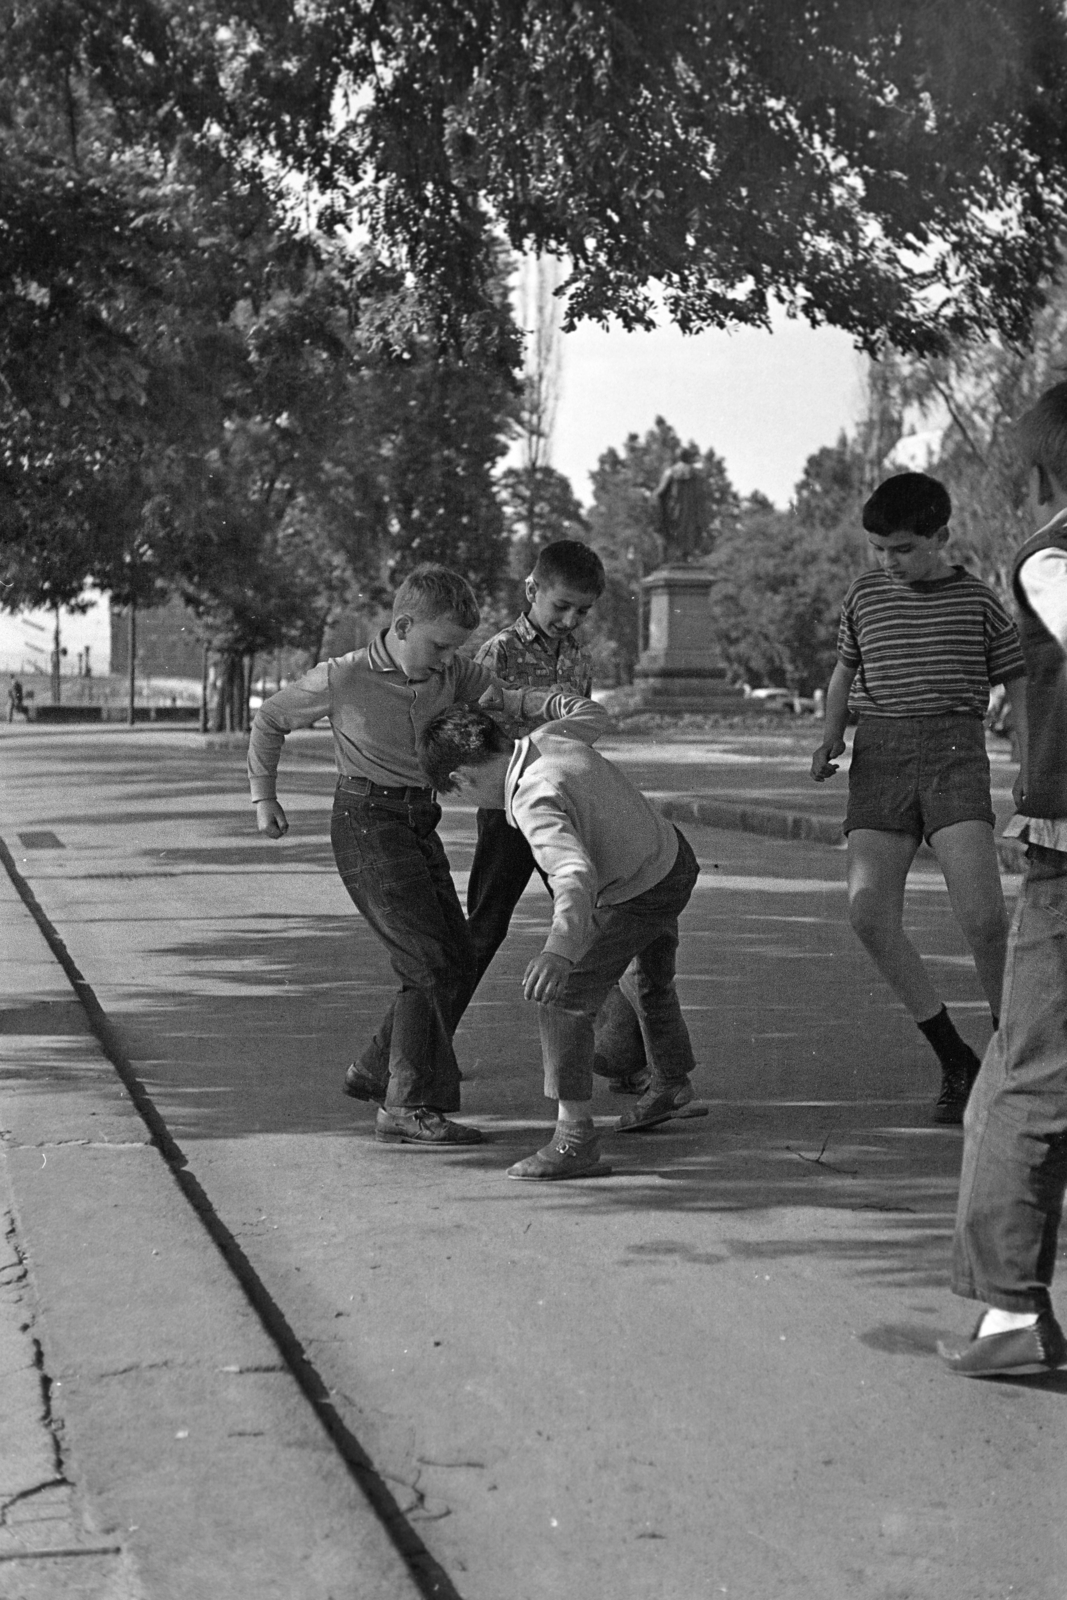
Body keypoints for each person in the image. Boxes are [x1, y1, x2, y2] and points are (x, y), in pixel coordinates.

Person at [248, 563, 581, 1147]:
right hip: (365, 821)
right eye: (441, 645)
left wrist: (549, 704)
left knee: (453, 952)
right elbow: (270, 720)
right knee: (425, 959)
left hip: (417, 821)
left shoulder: (449, 673)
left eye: (456, 649)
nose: (448, 659)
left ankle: (377, 1070)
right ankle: (404, 1106)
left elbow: (502, 695)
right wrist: (264, 799)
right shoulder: (341, 677)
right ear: (402, 625)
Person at [811, 471, 1027, 1124]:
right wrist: (828, 736)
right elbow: (844, 670)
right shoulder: (865, 596)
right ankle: (951, 1055)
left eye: (902, 548)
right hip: (878, 756)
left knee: (985, 920)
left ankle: (1009, 1059)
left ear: (941, 537)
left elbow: (1016, 680)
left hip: (953, 754)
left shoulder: (978, 602)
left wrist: (1026, 760)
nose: (888, 562)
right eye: (879, 550)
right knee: (867, 914)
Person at [418, 700, 701, 1180]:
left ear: (462, 779)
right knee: (649, 978)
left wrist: (559, 950)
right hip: (670, 858)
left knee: (563, 999)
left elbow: (572, 872)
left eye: (460, 797)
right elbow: (593, 713)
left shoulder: (531, 797)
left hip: (636, 889)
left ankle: (574, 1140)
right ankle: (671, 1081)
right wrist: (533, 697)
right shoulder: (550, 738)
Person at [939, 383, 1067, 1378]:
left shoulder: (1045, 553)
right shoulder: (1045, 558)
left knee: (1024, 1075)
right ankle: (1006, 1307)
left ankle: (1006, 1311)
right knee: (1028, 1075)